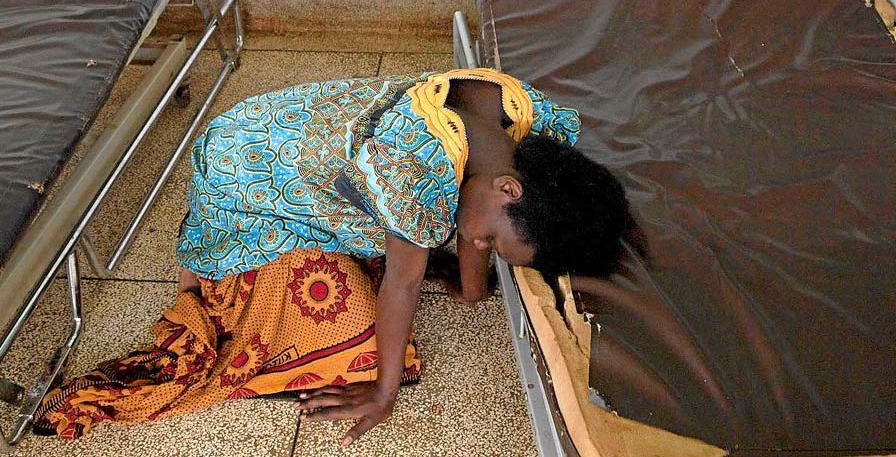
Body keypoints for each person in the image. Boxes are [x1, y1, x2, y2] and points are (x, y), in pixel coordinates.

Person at [34, 68, 628, 444]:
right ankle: (211, 250)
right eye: (492, 242)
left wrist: (474, 284)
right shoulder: (414, 171)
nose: (478, 248)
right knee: (329, 306)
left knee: (428, 235)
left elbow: (474, 231)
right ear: (509, 189)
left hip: (292, 120)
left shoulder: (515, 108)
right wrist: (383, 390)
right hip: (246, 161)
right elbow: (402, 284)